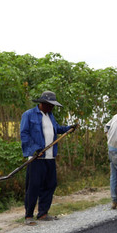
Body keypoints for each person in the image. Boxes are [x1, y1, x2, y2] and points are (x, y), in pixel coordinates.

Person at [20, 91, 76, 225]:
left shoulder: (50, 115)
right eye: (50, 105)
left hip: (50, 157)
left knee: (50, 184)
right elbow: (24, 134)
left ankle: (43, 213)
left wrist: (69, 128)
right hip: (36, 158)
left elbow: (57, 129)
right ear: (42, 103)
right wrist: (34, 149)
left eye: (52, 106)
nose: (52, 108)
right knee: (33, 186)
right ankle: (28, 216)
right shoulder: (29, 115)